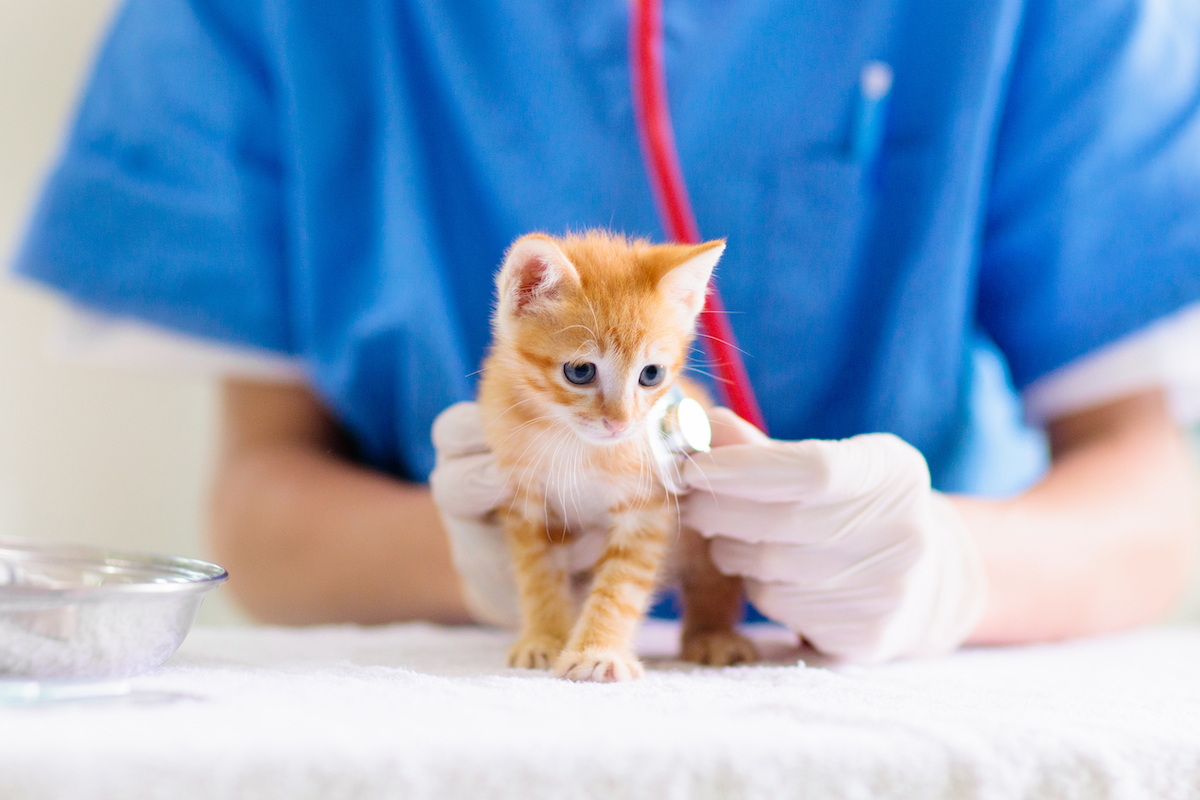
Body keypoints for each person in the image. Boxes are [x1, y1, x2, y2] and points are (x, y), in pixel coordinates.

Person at [13, 0, 1200, 659]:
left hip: (933, 705)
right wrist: (499, 555)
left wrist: (959, 569)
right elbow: (260, 501)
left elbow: (1153, 491)